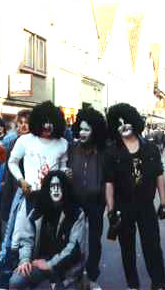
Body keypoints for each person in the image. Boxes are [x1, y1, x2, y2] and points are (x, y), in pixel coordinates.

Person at [0, 101, 68, 289]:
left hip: (53, 200)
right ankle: (10, 279)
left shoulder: (63, 144)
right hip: (30, 197)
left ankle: (51, 277)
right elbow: (12, 162)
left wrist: (64, 174)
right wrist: (21, 180)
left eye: (51, 123)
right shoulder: (25, 140)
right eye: (43, 122)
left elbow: (62, 170)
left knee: (49, 239)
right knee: (17, 238)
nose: (47, 127)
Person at [104, 103, 165, 290]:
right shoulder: (111, 152)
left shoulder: (150, 148)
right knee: (127, 248)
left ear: (134, 122)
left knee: (153, 246)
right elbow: (109, 183)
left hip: (146, 206)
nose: (123, 126)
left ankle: (158, 283)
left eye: (126, 122)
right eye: (119, 123)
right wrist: (111, 209)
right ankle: (133, 285)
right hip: (124, 206)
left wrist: (163, 203)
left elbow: (159, 175)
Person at [9, 171, 86, 289]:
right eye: (52, 186)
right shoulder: (38, 210)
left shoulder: (76, 213)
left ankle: (79, 282)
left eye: (59, 186)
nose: (56, 190)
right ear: (47, 189)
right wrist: (24, 260)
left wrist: (49, 264)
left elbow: (74, 250)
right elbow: (26, 239)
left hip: (67, 266)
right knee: (16, 281)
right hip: (40, 262)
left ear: (65, 188)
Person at [0, 109, 31, 274]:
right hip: (13, 189)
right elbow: (4, 166)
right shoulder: (13, 143)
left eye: (26, 123)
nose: (22, 126)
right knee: (12, 227)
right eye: (19, 123)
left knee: (20, 229)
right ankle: (7, 260)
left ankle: (10, 261)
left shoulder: (33, 143)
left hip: (28, 191)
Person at [68, 107, 107, 290]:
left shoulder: (102, 151)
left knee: (94, 241)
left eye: (87, 129)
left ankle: (91, 277)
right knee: (74, 239)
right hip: (75, 201)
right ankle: (74, 274)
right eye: (81, 128)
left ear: (95, 131)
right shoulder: (72, 148)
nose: (83, 133)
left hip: (96, 203)